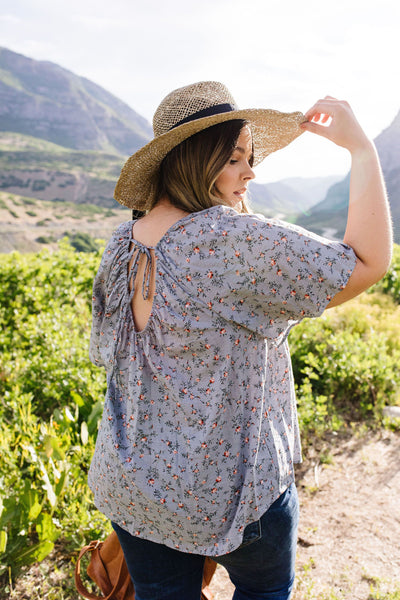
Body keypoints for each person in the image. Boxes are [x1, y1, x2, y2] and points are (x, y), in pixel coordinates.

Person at [88, 81, 392, 600]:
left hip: (132, 485)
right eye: (235, 157)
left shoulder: (121, 243)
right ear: (194, 159)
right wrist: (361, 148)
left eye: (251, 158)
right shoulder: (229, 240)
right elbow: (367, 262)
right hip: (231, 490)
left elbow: (108, 355)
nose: (250, 173)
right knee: (264, 591)